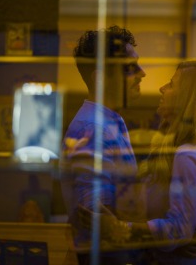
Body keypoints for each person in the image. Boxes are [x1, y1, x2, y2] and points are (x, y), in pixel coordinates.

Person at [101, 60, 196, 264]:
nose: (162, 88)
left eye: (171, 84)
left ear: (188, 98)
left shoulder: (187, 155)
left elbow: (178, 229)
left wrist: (117, 227)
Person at [60, 25, 146, 264]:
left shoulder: (108, 122)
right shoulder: (94, 129)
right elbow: (98, 217)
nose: (143, 73)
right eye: (130, 67)